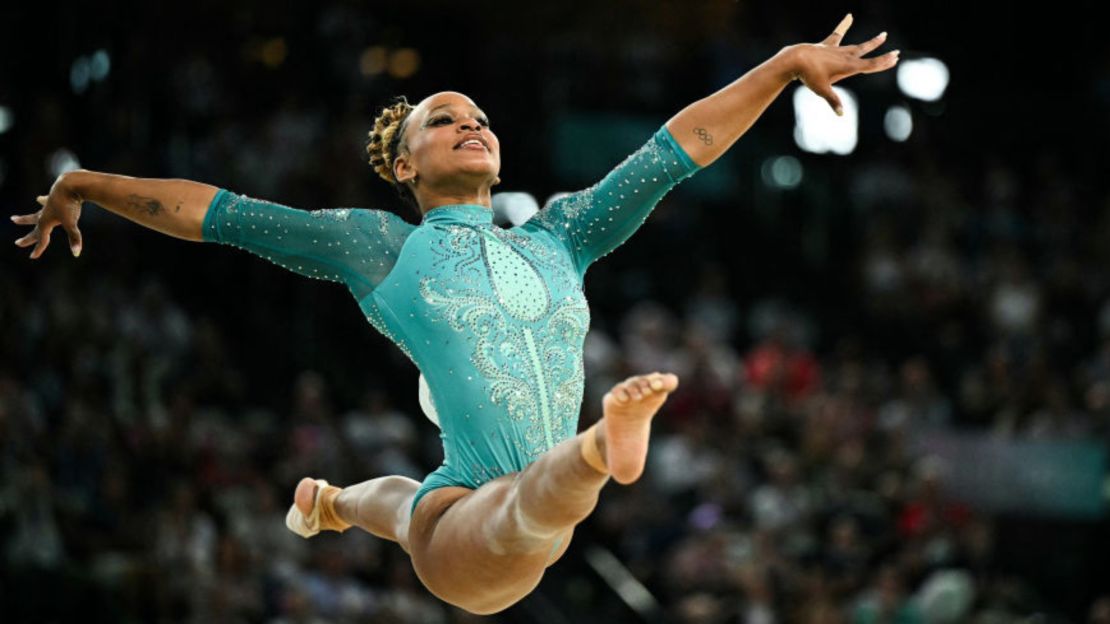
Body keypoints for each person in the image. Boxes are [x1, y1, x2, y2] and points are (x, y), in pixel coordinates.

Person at [12, 15, 897, 614]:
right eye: (443, 122)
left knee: (409, 509)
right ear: (404, 166)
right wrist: (86, 184)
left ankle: (330, 503)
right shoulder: (382, 248)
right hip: (473, 540)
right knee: (519, 508)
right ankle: (599, 449)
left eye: (478, 117)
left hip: (460, 507)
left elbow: (675, 151)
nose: (471, 125)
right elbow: (219, 213)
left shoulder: (560, 235)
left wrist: (782, 67)